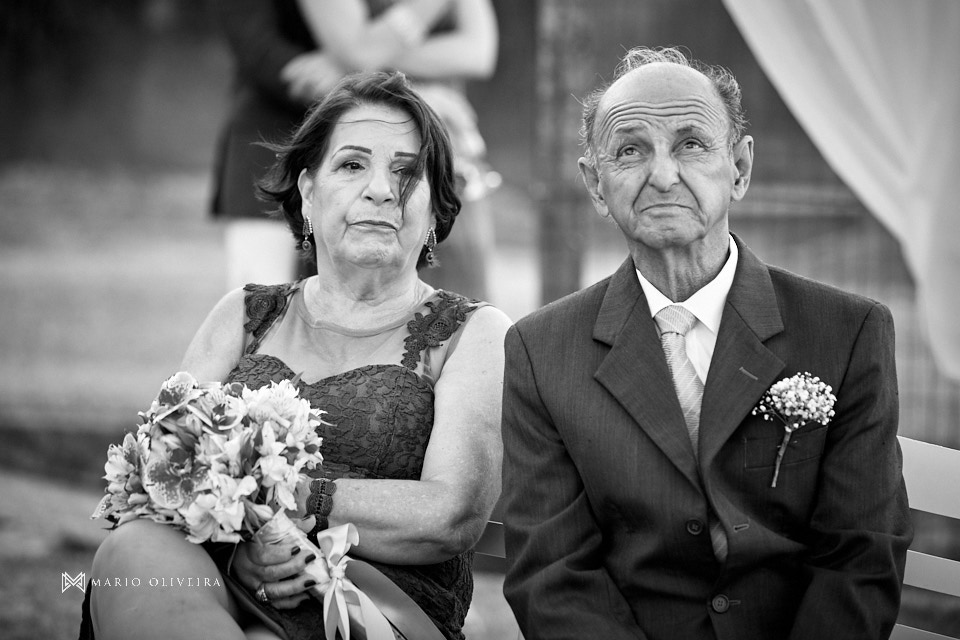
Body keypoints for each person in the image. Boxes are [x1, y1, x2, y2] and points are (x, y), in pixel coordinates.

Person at [500, 46, 912, 640]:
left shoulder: (847, 333)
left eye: (690, 143)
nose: (662, 175)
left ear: (740, 169)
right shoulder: (541, 352)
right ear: (595, 183)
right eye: (630, 151)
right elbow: (552, 577)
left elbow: (861, 556)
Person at [82, 71, 512, 640]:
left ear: (435, 209)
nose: (382, 189)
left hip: (374, 605)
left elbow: (451, 515)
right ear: (308, 193)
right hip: (221, 578)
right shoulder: (243, 314)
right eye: (353, 164)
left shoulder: (474, 333)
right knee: (134, 552)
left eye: (407, 172)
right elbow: (159, 472)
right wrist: (241, 551)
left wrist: (276, 505)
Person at [294, 0, 501, 301]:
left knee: (462, 299)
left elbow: (479, 53)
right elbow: (359, 51)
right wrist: (411, 93)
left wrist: (355, 62)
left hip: (451, 151)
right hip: (361, 142)